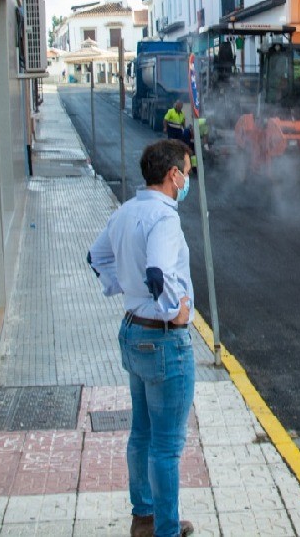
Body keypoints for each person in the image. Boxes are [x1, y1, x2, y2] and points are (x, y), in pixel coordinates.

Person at [88, 139, 197, 537]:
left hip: (133, 332)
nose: (188, 180)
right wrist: (176, 311)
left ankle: (144, 518)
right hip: (165, 342)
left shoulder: (127, 211)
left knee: (142, 433)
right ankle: (166, 531)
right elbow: (158, 272)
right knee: (166, 447)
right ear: (173, 175)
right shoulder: (165, 219)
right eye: (186, 172)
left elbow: (95, 257)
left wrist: (122, 286)